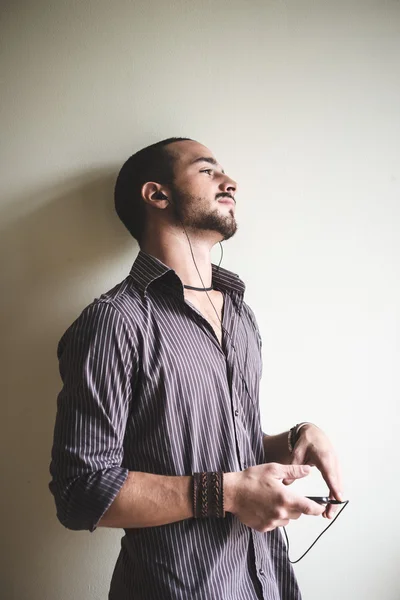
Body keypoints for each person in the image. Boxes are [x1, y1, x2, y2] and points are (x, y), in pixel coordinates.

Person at [49, 137, 343, 600]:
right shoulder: (115, 322)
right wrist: (228, 494)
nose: (231, 183)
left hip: (267, 581)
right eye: (208, 171)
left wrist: (293, 440)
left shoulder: (242, 317)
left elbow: (220, 445)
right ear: (157, 195)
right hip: (178, 588)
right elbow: (80, 491)